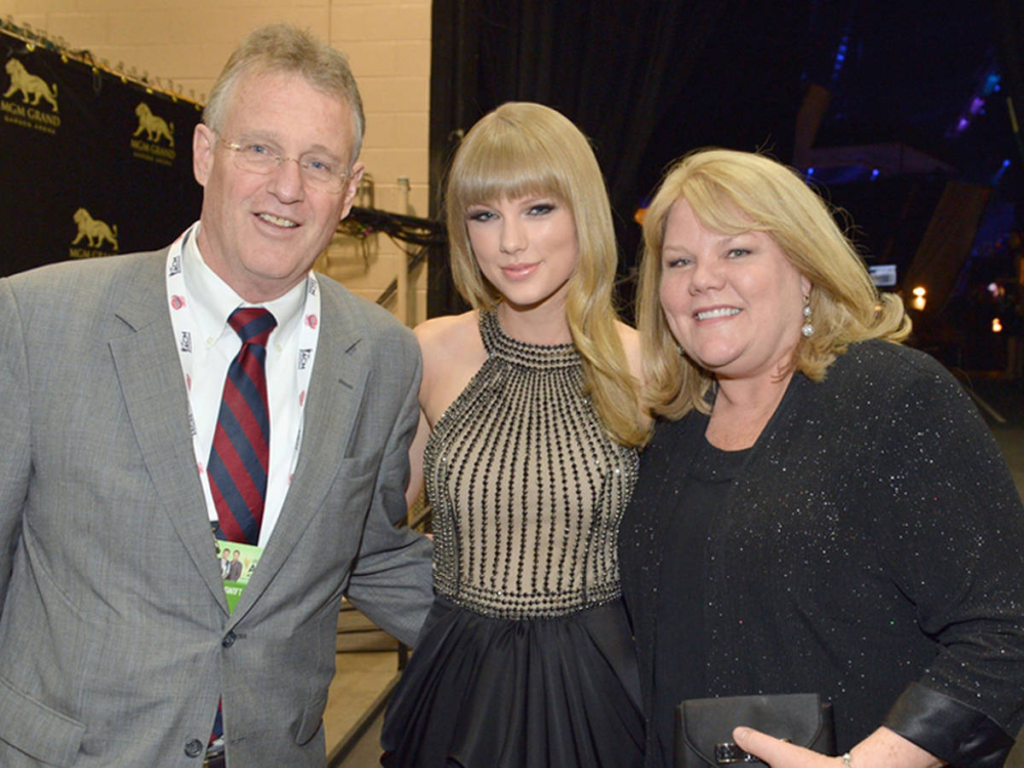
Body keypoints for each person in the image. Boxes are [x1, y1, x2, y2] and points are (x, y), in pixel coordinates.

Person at [0, 23, 433, 768]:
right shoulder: (38, 322)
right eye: (259, 148)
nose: (288, 187)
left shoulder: (383, 357)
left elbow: (371, 551)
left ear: (349, 190)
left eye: (319, 163)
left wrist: (549, 634)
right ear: (204, 153)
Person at [619, 148, 1024, 768]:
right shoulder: (669, 430)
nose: (703, 279)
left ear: (805, 270)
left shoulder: (892, 397)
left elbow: (1005, 625)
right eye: (680, 261)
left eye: (737, 251)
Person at [380, 102, 649, 767]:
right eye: (484, 215)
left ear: (583, 212)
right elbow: (365, 531)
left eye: (537, 209)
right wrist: (444, 613)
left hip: (598, 693)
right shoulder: (430, 351)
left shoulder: (650, 369)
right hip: (458, 688)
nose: (510, 242)